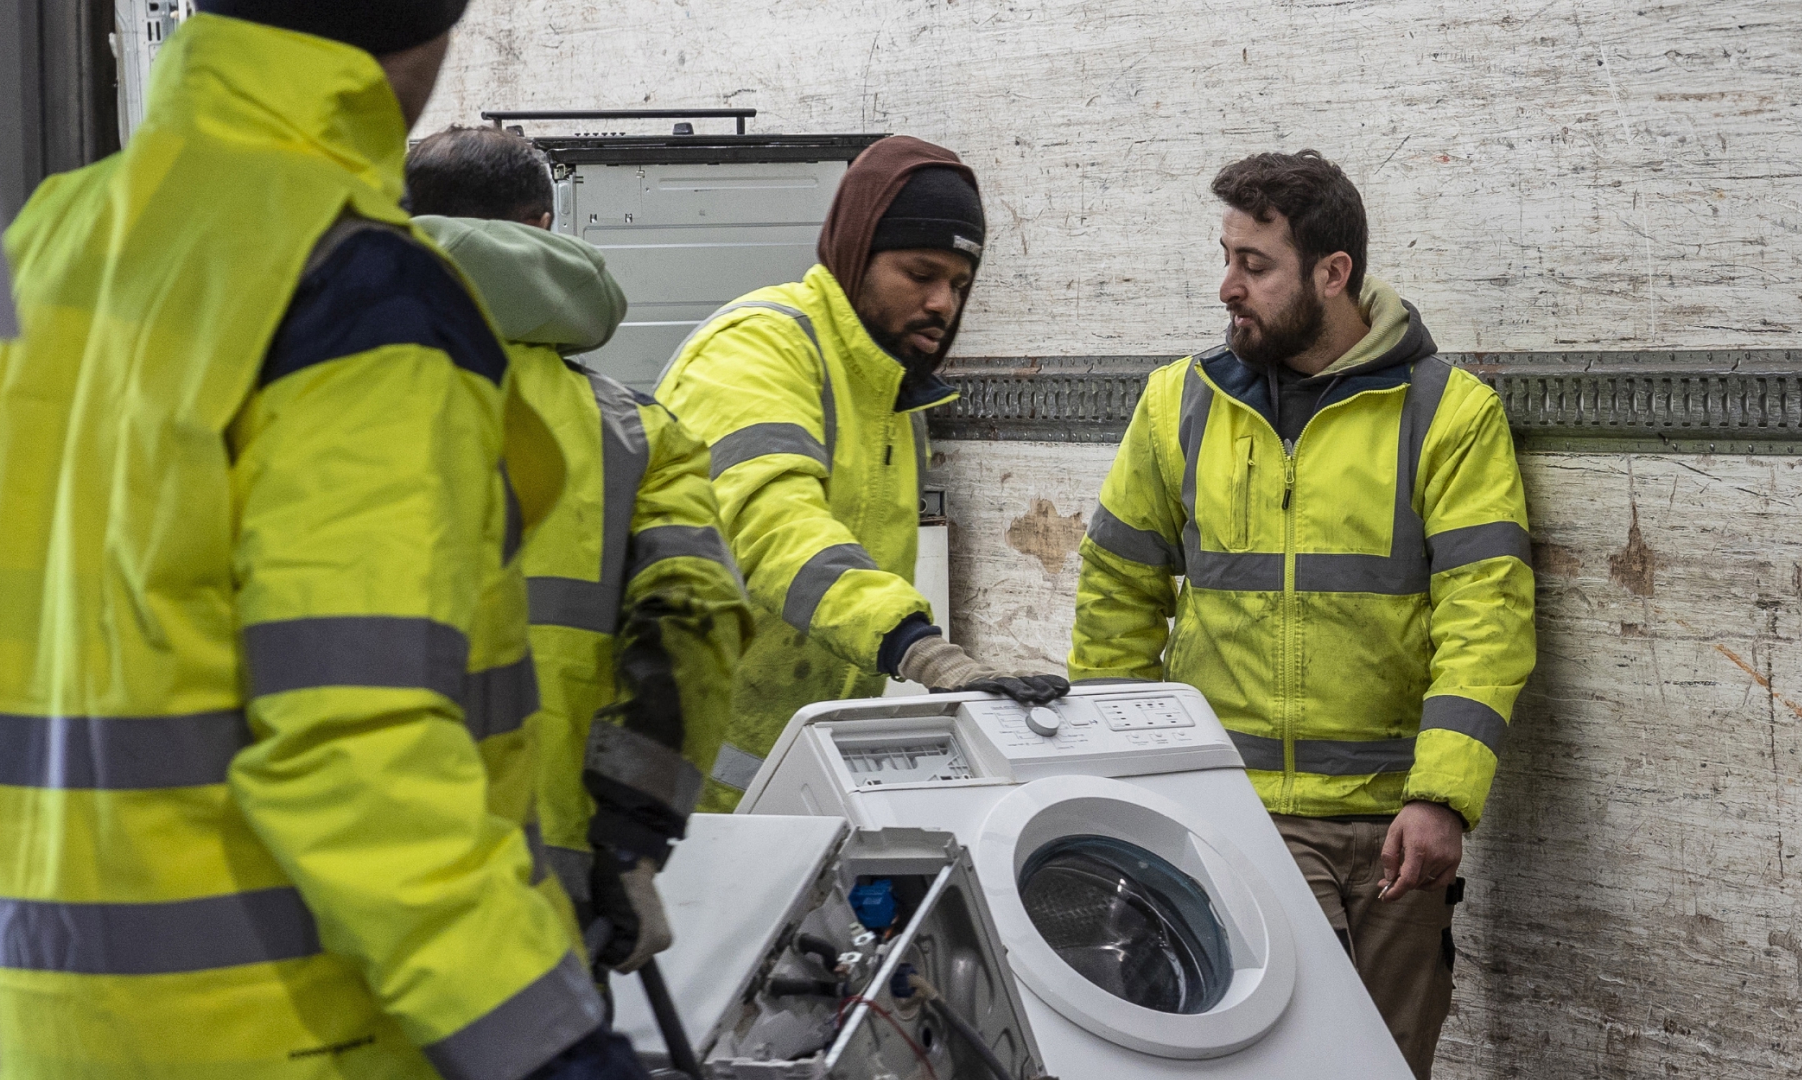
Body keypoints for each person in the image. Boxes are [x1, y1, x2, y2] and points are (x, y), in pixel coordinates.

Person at [0, 4, 644, 1077]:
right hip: (293, 1035)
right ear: (421, 31)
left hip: (31, 1030)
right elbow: (354, 742)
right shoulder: (354, 289)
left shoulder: (44, 239)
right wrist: (551, 1047)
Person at [1065, 150, 1535, 1078]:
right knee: (1294, 1063)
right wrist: (1122, 780)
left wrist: (1442, 796)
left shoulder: (1447, 413)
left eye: (1255, 265)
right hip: (1239, 819)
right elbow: (1117, 594)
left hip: (1398, 827)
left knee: (1391, 1065)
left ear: (1333, 273)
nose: (1227, 286)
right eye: (1228, 256)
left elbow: (1487, 617)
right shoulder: (1180, 404)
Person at [404, 125, 750, 979]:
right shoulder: (635, 436)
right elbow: (694, 627)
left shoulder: (293, 391)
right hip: (544, 885)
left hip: (333, 874)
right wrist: (632, 841)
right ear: (544, 224)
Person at [656, 136, 1068, 810]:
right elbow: (774, 526)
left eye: (959, 284)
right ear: (855, 253)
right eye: (920, 273)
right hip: (681, 794)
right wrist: (920, 649)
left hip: (797, 784)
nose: (943, 302)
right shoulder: (758, 348)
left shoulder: (894, 402)